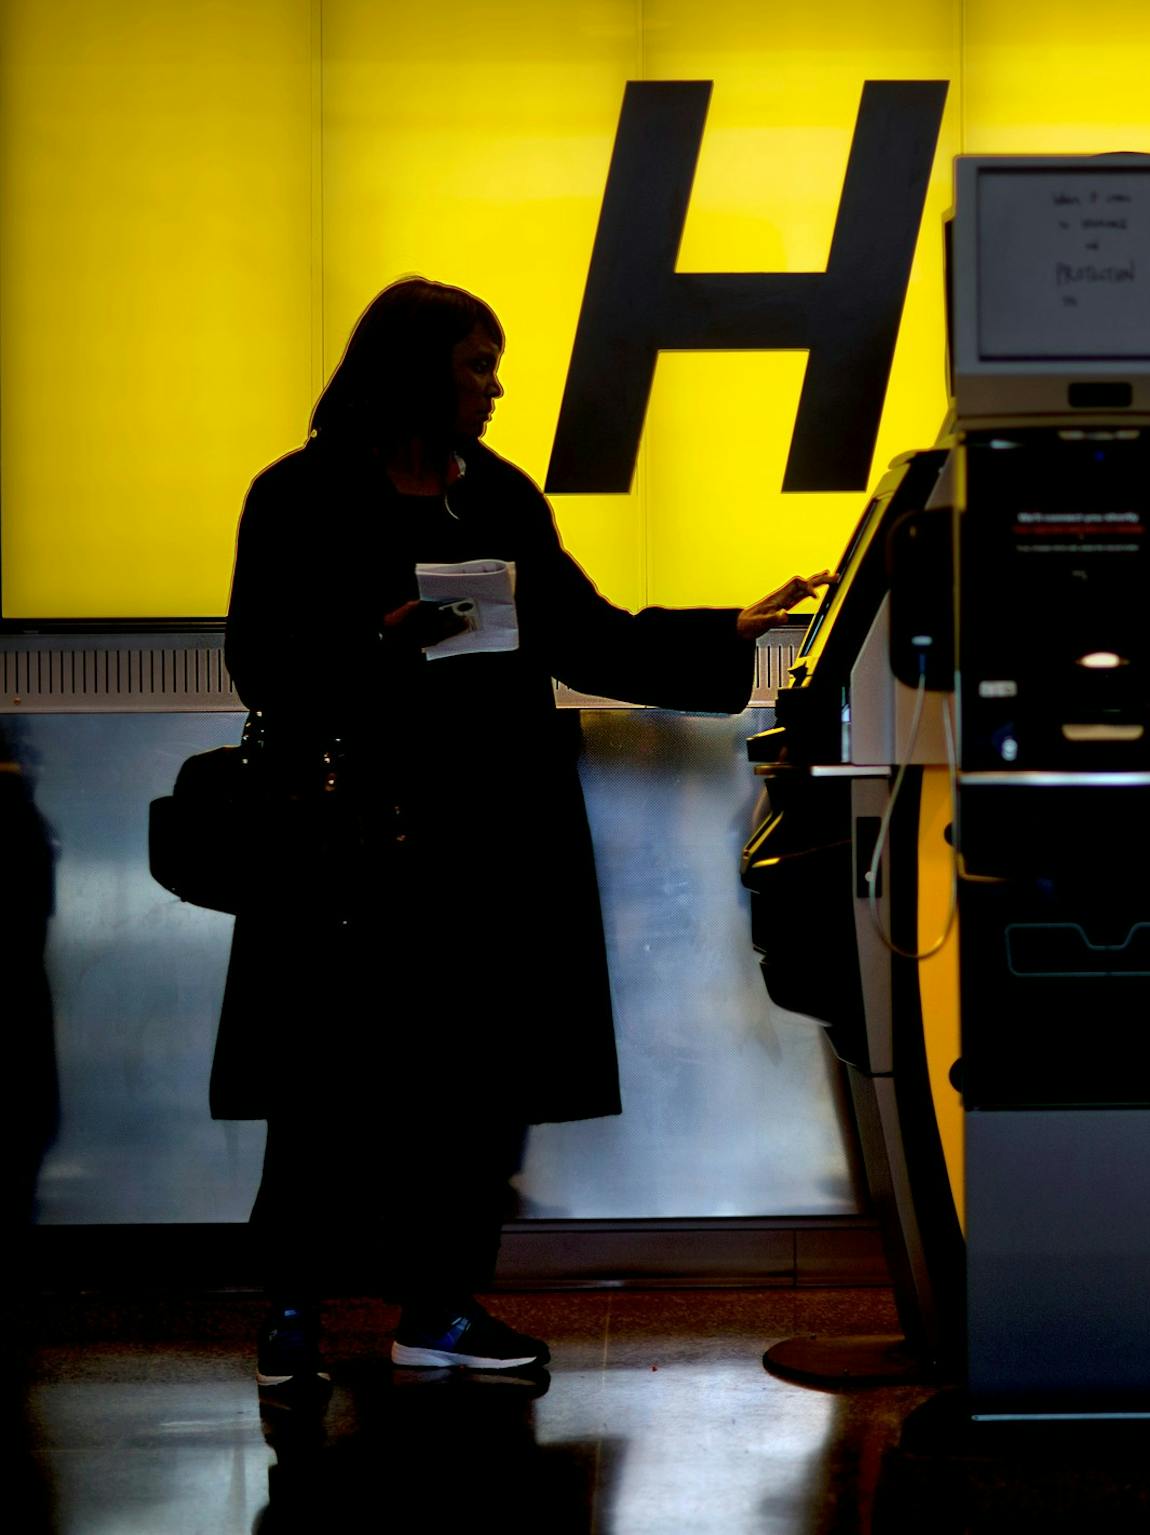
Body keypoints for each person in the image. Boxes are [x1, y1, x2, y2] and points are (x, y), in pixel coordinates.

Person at [214, 277, 828, 1390]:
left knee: (470, 1081)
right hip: (347, 837)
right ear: (413, 371)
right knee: (325, 1081)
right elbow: (259, 658)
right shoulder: (298, 495)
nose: (495, 389)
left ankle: (437, 1304)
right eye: (476, 366)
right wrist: (379, 642)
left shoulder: (493, 494)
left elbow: (580, 632)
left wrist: (723, 630)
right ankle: (294, 1309)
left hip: (488, 833)